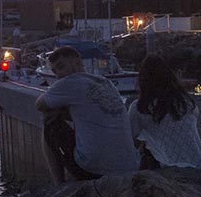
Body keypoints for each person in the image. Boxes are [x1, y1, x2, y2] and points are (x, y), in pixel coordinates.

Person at [35, 46, 139, 183]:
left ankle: (59, 185)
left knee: (48, 121)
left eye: (61, 67)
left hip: (94, 170)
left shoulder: (70, 82)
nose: (58, 75)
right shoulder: (105, 82)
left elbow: (39, 105)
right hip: (130, 166)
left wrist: (58, 111)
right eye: (54, 71)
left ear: (77, 63)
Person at [128, 55, 201, 170]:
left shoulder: (139, 108)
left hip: (166, 166)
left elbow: (132, 140)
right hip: (200, 164)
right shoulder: (187, 104)